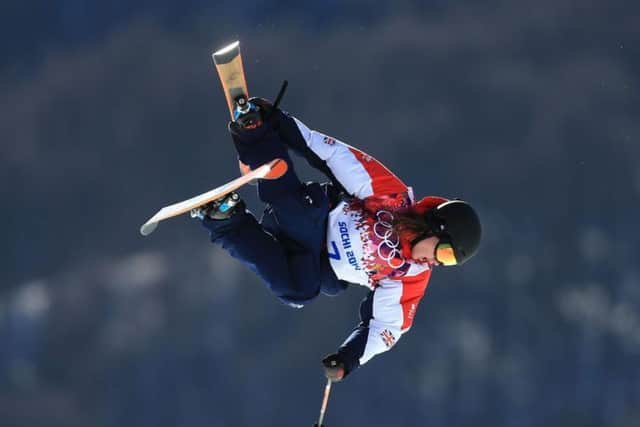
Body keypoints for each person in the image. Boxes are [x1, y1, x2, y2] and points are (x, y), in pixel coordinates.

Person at [192, 98, 482, 381]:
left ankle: (225, 218)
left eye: (446, 262)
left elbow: (385, 329)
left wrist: (347, 358)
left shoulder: (410, 276)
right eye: (443, 253)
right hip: (313, 216)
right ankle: (256, 137)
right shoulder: (392, 200)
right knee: (298, 214)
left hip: (315, 261)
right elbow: (336, 157)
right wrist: (281, 123)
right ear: (435, 227)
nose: (434, 262)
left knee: (297, 291)